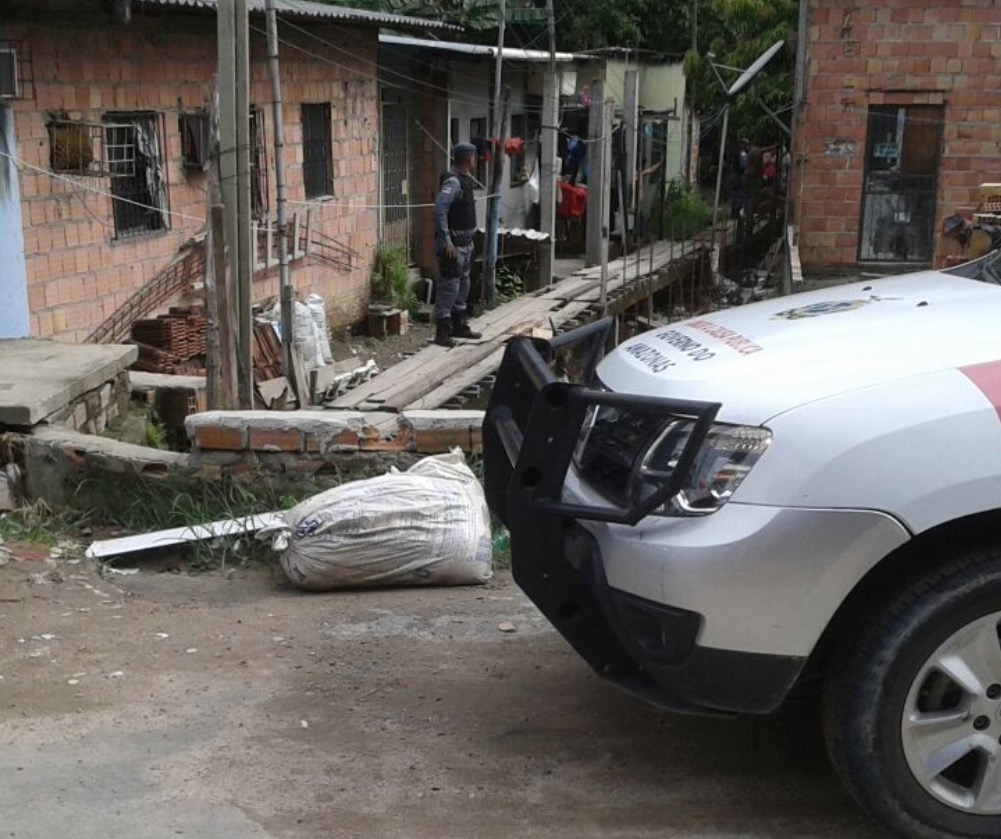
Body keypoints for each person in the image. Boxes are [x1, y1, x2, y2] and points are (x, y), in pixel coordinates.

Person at [432, 143, 483, 348]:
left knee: (463, 285)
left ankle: (460, 325)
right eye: (474, 157)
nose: (476, 161)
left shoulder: (466, 181)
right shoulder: (453, 182)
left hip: (466, 244)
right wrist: (446, 240)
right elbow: (439, 209)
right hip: (453, 246)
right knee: (449, 287)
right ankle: (442, 332)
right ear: (468, 159)